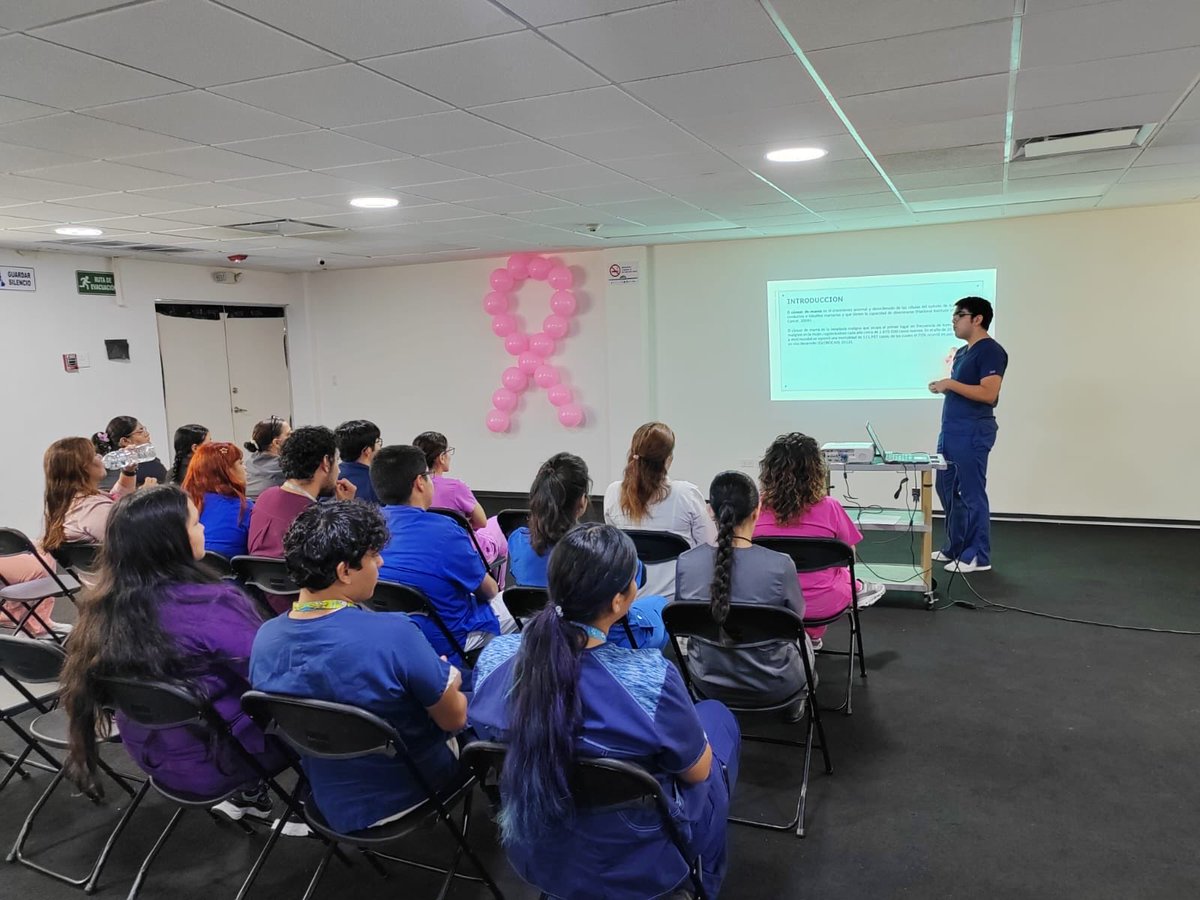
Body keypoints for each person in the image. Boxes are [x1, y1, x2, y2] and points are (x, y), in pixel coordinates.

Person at [469, 524, 740, 899]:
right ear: (618, 601)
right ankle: (701, 885)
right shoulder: (651, 679)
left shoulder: (495, 659)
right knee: (717, 720)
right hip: (641, 854)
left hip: (539, 850)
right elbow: (697, 771)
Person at [59, 486, 290, 825]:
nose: (204, 529)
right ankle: (318, 800)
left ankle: (252, 795)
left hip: (154, 755)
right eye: (196, 523)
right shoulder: (212, 603)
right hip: (222, 760)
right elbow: (270, 673)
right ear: (171, 540)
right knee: (315, 706)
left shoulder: (100, 609)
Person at [250, 501, 467, 834]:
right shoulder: (395, 633)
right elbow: (455, 719)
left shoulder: (265, 638)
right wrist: (448, 681)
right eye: (372, 555)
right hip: (410, 789)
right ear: (344, 571)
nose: (380, 562)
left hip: (328, 798)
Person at [676, 471, 812, 712]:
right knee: (805, 640)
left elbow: (686, 623)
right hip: (774, 684)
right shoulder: (781, 565)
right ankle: (793, 706)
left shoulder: (686, 562)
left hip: (707, 681)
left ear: (711, 511)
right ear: (757, 511)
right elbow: (796, 618)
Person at [508, 452, 668, 649]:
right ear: (582, 502)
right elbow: (637, 579)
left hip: (543, 630)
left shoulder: (517, 540)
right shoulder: (603, 552)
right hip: (605, 637)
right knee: (660, 605)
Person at [371, 444, 512, 663]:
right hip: (447, 640)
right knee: (514, 603)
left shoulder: (368, 525)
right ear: (419, 482)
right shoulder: (445, 531)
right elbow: (489, 590)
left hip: (387, 636)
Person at [754, 433, 886, 648]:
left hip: (768, 603)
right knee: (838, 572)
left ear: (768, 469)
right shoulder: (830, 507)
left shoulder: (754, 509)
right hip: (823, 603)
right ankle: (815, 633)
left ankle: (794, 637)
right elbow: (848, 557)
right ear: (816, 470)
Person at [928, 296, 1008, 573]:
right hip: (951, 430)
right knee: (945, 487)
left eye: (959, 315)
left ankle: (978, 556)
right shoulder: (963, 352)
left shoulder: (991, 351)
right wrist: (946, 385)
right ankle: (957, 546)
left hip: (972, 430)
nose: (954, 320)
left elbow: (988, 393)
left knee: (972, 492)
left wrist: (949, 383)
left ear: (978, 319)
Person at [603, 422, 716, 599]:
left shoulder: (613, 493)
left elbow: (616, 546)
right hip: (676, 606)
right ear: (668, 459)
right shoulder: (686, 494)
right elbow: (710, 548)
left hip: (629, 604)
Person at [248, 425, 355, 559]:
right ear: (326, 463)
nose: (338, 471)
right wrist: (346, 509)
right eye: (337, 461)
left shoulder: (265, 497)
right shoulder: (319, 519)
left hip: (258, 579)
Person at [412, 431, 507, 564]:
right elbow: (481, 522)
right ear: (441, 457)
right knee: (498, 523)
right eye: (448, 451)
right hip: (462, 550)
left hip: (425, 548)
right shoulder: (456, 487)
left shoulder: (411, 489)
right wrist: (463, 523)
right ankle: (498, 584)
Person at [42, 436, 139, 551]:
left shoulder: (73, 501)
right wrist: (148, 501)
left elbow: (117, 498)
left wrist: (128, 472)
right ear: (83, 468)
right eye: (94, 454)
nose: (100, 457)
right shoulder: (90, 508)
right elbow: (133, 539)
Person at [182, 442, 254, 559]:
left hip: (188, 574)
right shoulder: (245, 508)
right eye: (240, 463)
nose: (245, 467)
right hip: (232, 575)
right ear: (226, 471)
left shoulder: (183, 505)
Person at [96, 416, 167, 488]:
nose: (147, 434)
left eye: (144, 429)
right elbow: (114, 496)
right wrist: (142, 492)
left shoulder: (149, 459)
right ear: (125, 441)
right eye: (140, 432)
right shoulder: (115, 468)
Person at [243, 417, 291, 500]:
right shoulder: (285, 467)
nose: (293, 437)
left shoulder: (250, 460)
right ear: (276, 442)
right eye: (289, 434)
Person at [335, 419, 382, 504]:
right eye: (378, 442)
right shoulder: (377, 481)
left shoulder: (332, 477)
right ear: (367, 450)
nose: (380, 446)